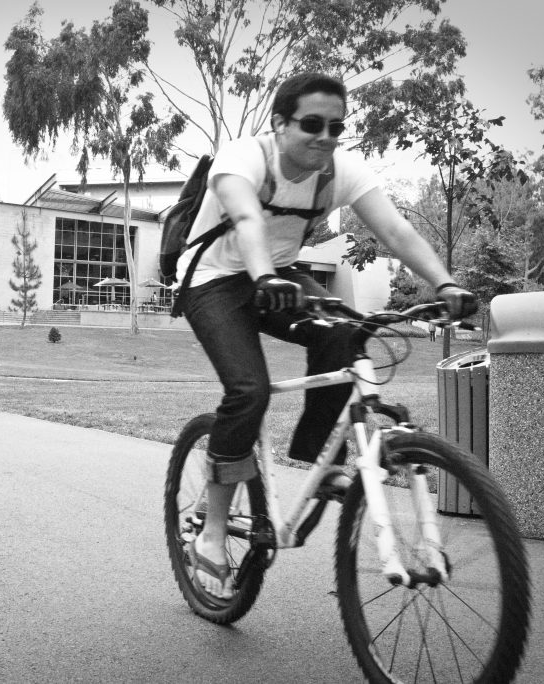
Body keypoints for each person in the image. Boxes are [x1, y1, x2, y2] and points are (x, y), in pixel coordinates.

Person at [176, 72, 477, 599]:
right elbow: (246, 218)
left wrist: (445, 283)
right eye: (312, 124)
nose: (325, 137)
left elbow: (396, 231)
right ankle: (214, 530)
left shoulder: (340, 170)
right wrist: (263, 276)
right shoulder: (243, 157)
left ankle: (321, 457)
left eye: (336, 127)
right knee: (248, 389)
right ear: (279, 123)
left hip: (280, 276)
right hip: (214, 280)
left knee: (346, 334)